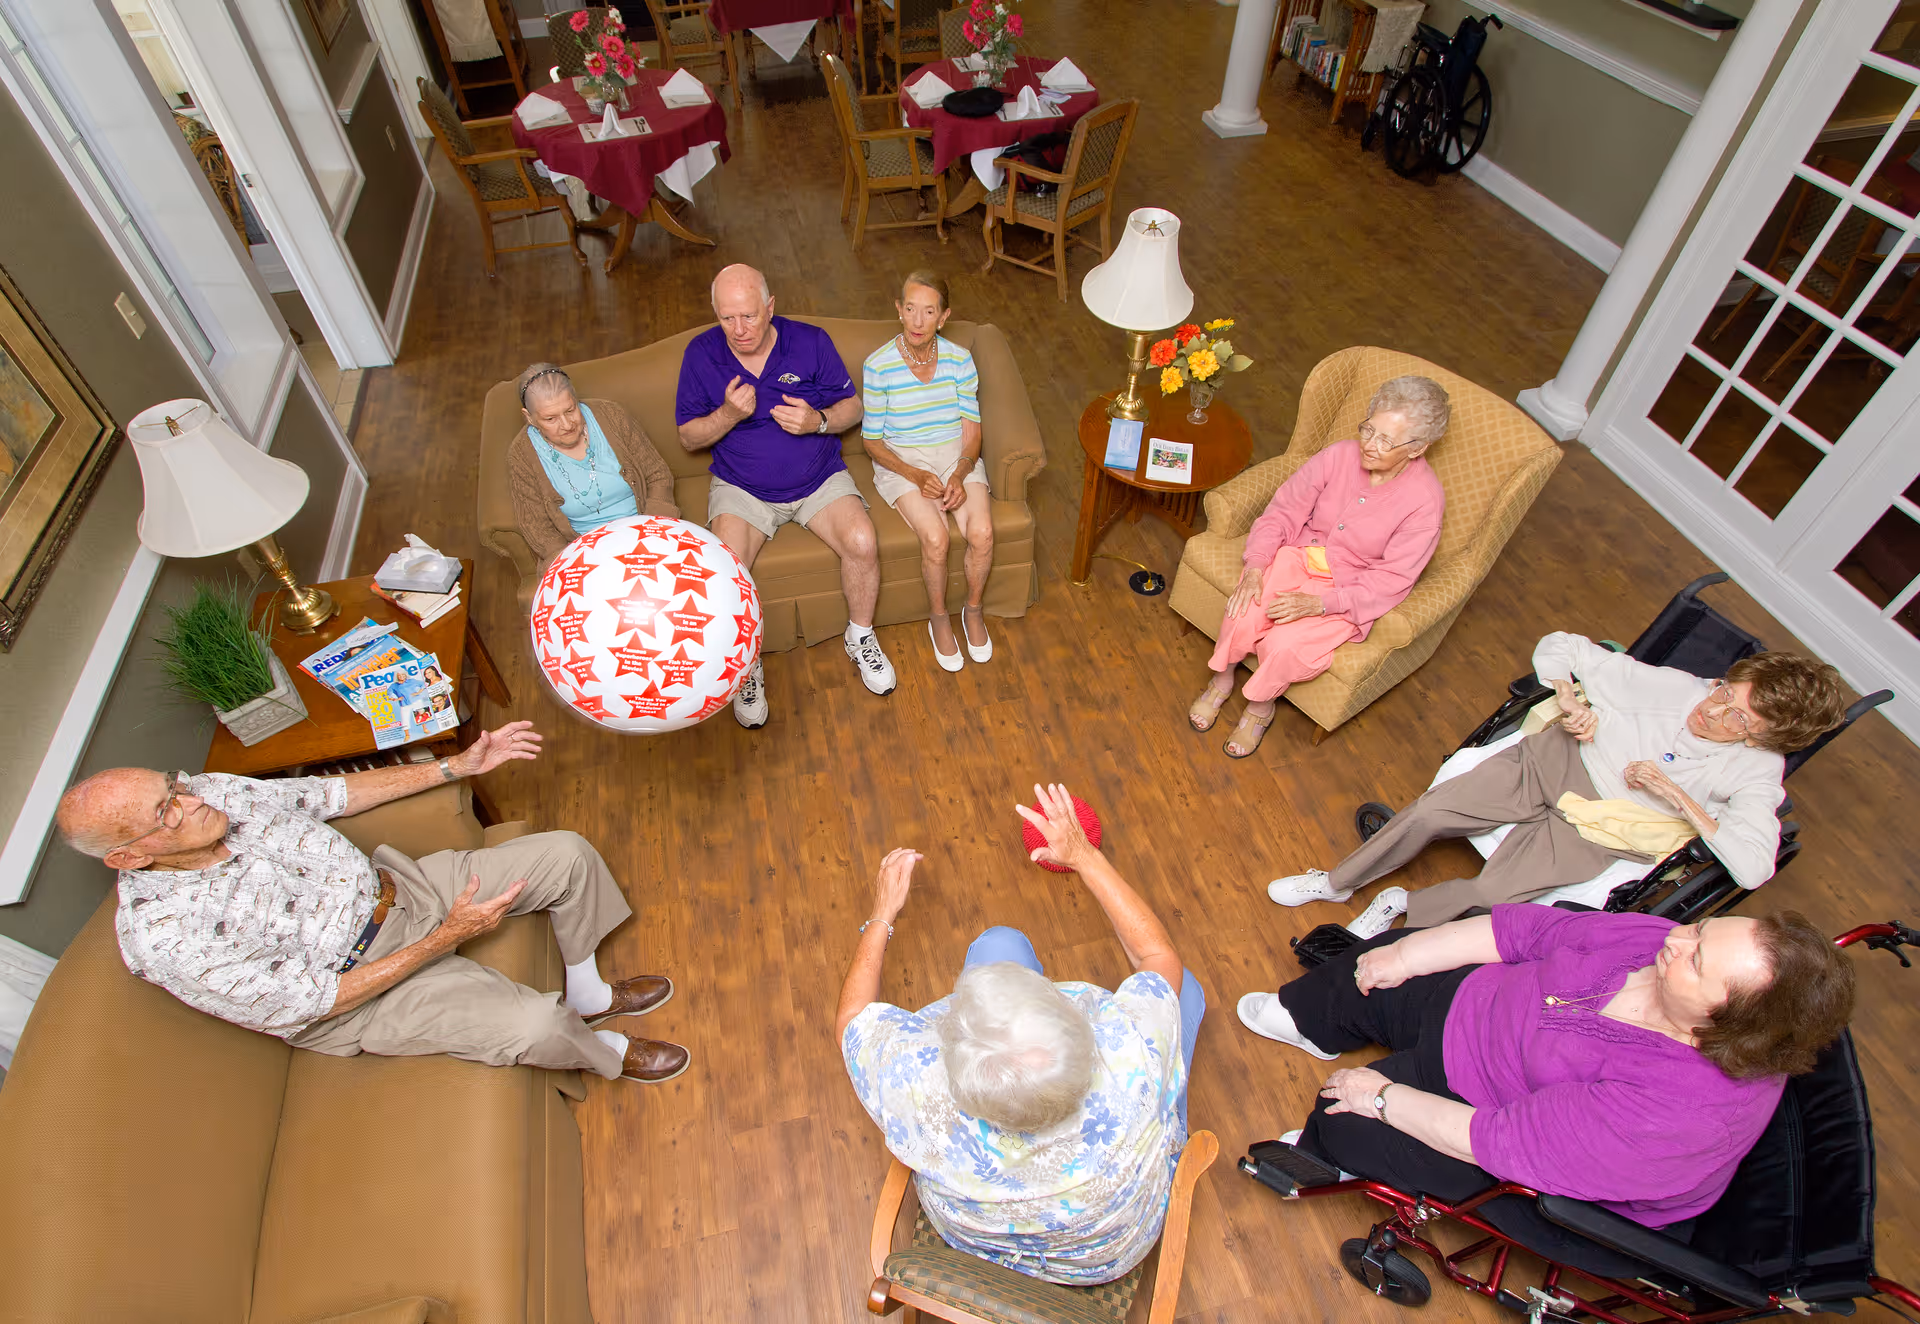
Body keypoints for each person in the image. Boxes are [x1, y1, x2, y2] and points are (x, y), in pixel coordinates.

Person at [53, 721, 689, 1085]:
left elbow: (332, 796)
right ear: (128, 857)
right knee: (538, 1027)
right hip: (360, 990)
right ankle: (607, 1055)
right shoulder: (165, 938)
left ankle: (588, 991)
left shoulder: (213, 791)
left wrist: (454, 767)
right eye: (168, 810)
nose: (193, 800)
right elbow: (323, 1002)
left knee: (567, 854)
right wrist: (445, 938)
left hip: (402, 890)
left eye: (174, 784)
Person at [1236, 905, 1854, 1251]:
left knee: (1344, 1116)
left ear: (1729, 1025)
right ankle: (1311, 1021)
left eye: (1696, 958)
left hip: (1492, 1115)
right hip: (1488, 1008)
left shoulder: (1676, 1115)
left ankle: (1326, 1156)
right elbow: (1534, 931)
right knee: (1383, 960)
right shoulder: (1665, 944)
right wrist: (1408, 955)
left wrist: (1384, 1098)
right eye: (1700, 930)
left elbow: (1498, 1142)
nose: (1677, 939)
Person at [836, 785, 1206, 1285]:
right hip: (1108, 1256)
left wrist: (882, 912)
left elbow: (853, 1018)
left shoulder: (913, 1080)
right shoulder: (1127, 1053)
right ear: (1081, 1036)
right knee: (1188, 995)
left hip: (975, 1246)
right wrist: (1085, 857)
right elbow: (1158, 959)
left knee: (999, 944)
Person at [1266, 640, 1851, 938]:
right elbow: (1563, 645)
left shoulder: (1756, 773)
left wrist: (1678, 797)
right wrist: (1570, 700)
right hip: (1554, 760)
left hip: (1604, 824)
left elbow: (1752, 866)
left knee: (1494, 896)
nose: (1714, 709)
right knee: (1431, 811)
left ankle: (1401, 908)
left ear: (1766, 739)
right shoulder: (1675, 687)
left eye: (1738, 718)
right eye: (1725, 690)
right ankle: (1338, 882)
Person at [676, 264, 894, 728]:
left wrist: (817, 421)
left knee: (862, 540)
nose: (739, 330)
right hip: (742, 488)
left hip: (819, 478)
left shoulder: (810, 341)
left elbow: (852, 406)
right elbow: (690, 438)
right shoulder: (701, 354)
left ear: (770, 308)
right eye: (727, 318)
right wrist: (728, 415)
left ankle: (861, 637)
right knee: (724, 571)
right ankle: (746, 665)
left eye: (750, 317)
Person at [1189, 376, 1450, 758]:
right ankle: (1221, 678)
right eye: (1368, 429)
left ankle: (1260, 709)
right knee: (1244, 607)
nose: (1369, 446)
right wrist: (1258, 565)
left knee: (1284, 644)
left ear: (1419, 448)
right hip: (1299, 554)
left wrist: (1319, 604)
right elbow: (1282, 512)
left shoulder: (1425, 502)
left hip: (1347, 590)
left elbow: (1392, 580)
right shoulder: (1338, 456)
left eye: (1385, 440)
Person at [861, 270, 993, 671]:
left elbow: (972, 436)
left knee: (982, 533)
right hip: (903, 459)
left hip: (956, 453)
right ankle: (939, 617)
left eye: (929, 311)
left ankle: (972, 609)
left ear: (943, 316)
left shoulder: (959, 359)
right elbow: (872, 442)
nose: (918, 321)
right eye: (911, 310)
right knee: (936, 538)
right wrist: (916, 476)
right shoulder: (878, 365)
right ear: (899, 311)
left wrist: (960, 473)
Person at [508, 363, 679, 565]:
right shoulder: (521, 455)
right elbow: (535, 525)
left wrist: (651, 531)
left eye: (570, 410)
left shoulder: (612, 416)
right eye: (550, 419)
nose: (566, 425)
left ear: (576, 400)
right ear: (529, 418)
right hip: (583, 551)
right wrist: (575, 562)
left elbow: (657, 474)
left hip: (645, 528)